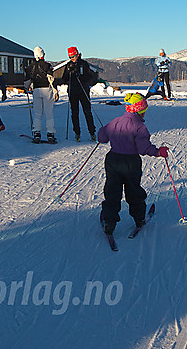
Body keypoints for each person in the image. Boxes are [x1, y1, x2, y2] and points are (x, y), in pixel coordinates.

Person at [97, 92, 168, 235]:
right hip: (131, 162)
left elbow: (102, 137)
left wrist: (104, 130)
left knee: (112, 191)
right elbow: (143, 149)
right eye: (144, 111)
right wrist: (158, 152)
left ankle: (109, 222)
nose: (144, 114)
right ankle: (139, 218)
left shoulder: (115, 121)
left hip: (113, 160)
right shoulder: (140, 127)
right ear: (140, 111)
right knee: (133, 190)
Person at [58, 46, 96, 142]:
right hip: (73, 91)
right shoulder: (68, 65)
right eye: (70, 57)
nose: (72, 58)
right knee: (74, 113)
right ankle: (77, 132)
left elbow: (90, 77)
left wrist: (81, 76)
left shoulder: (84, 64)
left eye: (74, 56)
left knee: (87, 112)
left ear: (78, 54)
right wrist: (69, 73)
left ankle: (92, 132)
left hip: (83, 90)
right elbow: (64, 78)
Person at [24, 46, 58, 144]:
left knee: (38, 113)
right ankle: (50, 134)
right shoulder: (47, 65)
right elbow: (51, 78)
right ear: (43, 54)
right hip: (46, 89)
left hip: (36, 90)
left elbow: (27, 79)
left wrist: (26, 88)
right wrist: (55, 91)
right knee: (49, 113)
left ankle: (36, 133)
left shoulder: (31, 66)